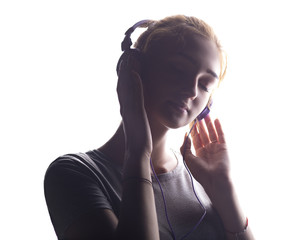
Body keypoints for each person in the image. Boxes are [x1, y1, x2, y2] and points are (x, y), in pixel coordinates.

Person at [44, 15, 255, 240]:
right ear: (134, 68)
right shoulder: (74, 173)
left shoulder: (203, 177)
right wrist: (138, 152)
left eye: (205, 84)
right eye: (178, 70)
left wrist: (223, 189)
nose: (192, 91)